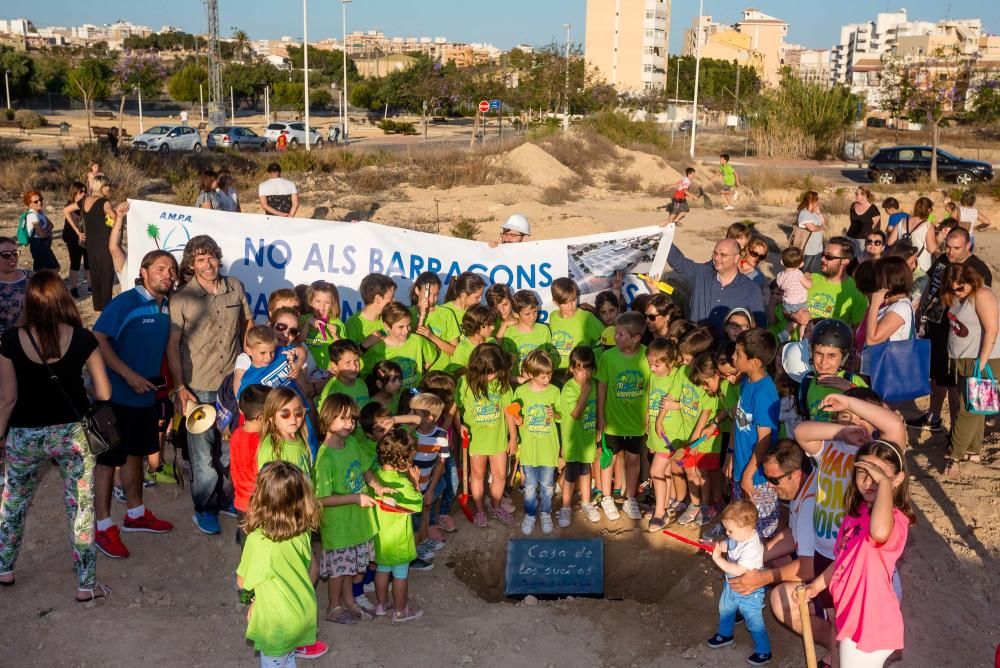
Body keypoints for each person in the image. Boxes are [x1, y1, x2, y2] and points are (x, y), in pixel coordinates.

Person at [0, 271, 113, 600]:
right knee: (80, 508)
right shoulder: (83, 338)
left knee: (13, 504)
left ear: (30, 301)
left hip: (24, 435)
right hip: (73, 434)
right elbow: (103, 392)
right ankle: (85, 584)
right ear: (64, 298)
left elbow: (7, 398)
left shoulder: (9, 340)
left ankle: (5, 568)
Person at [794, 390, 907, 660]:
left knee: (854, 639)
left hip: (869, 592)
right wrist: (841, 432)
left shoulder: (877, 455)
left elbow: (894, 426)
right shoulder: (832, 451)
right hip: (834, 555)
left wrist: (850, 404)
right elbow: (802, 431)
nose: (854, 424)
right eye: (846, 418)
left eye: (863, 418)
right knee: (839, 621)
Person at [92, 250, 178, 559]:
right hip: (112, 398)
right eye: (160, 268)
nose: (167, 274)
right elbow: (97, 337)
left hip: (145, 398)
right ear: (143, 272)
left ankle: (136, 513)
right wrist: (127, 376)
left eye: (171, 270)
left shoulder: (166, 306)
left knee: (136, 455)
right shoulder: (126, 302)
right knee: (106, 462)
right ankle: (102, 527)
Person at [168, 235, 252, 535]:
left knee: (230, 451)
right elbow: (172, 346)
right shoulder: (181, 298)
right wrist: (180, 389)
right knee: (203, 455)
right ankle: (204, 509)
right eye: (200, 259)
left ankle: (224, 499)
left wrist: (248, 366)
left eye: (211, 257)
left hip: (231, 387)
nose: (208, 264)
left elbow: (247, 326)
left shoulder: (235, 287)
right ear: (191, 264)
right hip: (198, 387)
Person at [730, 440, 821, 661]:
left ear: (795, 474)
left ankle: (833, 643)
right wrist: (758, 553)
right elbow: (792, 534)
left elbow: (808, 569)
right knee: (765, 560)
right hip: (819, 562)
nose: (769, 486)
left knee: (781, 601)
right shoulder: (804, 488)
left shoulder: (809, 504)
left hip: (827, 575)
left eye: (773, 479)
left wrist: (760, 579)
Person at [237, 461, 328, 664]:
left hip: (276, 624)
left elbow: (243, 582)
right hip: (303, 614)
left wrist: (249, 602)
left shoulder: (259, 540)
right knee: (288, 660)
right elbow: (312, 569)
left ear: (261, 497)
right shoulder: (302, 531)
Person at [314, 392, 391, 624]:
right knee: (339, 570)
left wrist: (378, 487)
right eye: (343, 418)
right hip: (339, 527)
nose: (349, 424)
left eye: (353, 419)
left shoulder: (352, 444)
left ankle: (349, 601)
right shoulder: (325, 457)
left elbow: (365, 469)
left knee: (349, 567)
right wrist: (355, 498)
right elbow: (321, 499)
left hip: (357, 523)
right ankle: (334, 607)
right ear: (327, 419)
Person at [908, 227, 992, 433]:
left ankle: (957, 431)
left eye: (956, 248)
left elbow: (981, 303)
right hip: (935, 324)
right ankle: (934, 416)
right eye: (948, 246)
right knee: (937, 375)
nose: (951, 251)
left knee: (955, 382)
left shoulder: (978, 268)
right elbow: (931, 284)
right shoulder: (943, 260)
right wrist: (919, 308)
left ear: (968, 245)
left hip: (958, 332)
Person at [942, 263, 1000, 477]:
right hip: (961, 358)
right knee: (977, 407)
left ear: (971, 279)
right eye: (952, 287)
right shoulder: (958, 296)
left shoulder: (983, 294)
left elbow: (992, 329)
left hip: (981, 359)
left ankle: (954, 456)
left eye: (960, 286)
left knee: (967, 408)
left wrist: (982, 362)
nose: (956, 290)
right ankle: (973, 451)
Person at [596, 311, 650, 522]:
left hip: (636, 424)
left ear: (636, 338)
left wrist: (648, 417)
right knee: (607, 458)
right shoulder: (608, 357)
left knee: (633, 460)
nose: (615, 338)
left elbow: (651, 388)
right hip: (613, 423)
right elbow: (601, 387)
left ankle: (630, 499)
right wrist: (601, 417)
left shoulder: (647, 356)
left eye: (620, 335)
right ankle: (607, 497)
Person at [457, 342, 517, 527]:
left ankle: (496, 506)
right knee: (477, 474)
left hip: (498, 439)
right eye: (489, 372)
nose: (493, 376)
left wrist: (513, 437)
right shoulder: (464, 383)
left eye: (496, 372)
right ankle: (480, 509)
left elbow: (509, 411)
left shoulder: (502, 384)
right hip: (476, 441)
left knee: (500, 475)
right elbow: (455, 409)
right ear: (478, 368)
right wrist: (459, 425)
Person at [706, 500, 772, 666]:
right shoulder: (739, 536)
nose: (727, 533)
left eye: (730, 530)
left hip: (749, 592)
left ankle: (764, 651)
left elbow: (737, 570)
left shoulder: (752, 547)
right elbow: (727, 544)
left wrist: (717, 558)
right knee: (725, 608)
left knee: (754, 622)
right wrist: (717, 547)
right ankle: (725, 634)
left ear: (746, 527)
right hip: (731, 586)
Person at [729, 328, 781, 539]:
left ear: (755, 362)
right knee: (741, 523)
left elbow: (765, 439)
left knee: (758, 530)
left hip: (757, 478)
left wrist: (749, 475)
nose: (733, 357)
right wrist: (730, 455)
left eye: (738, 354)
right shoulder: (746, 383)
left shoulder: (764, 393)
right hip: (742, 469)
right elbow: (740, 423)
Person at [372, 427, 425, 622]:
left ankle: (381, 604)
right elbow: (418, 505)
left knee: (382, 569)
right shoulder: (402, 485)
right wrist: (415, 483)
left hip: (380, 537)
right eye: (410, 458)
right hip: (399, 540)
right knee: (401, 574)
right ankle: (401, 611)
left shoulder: (375, 477)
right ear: (402, 460)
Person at [665, 237, 765, 335]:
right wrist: (664, 235)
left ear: (736, 258)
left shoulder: (751, 289)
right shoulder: (701, 274)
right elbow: (679, 262)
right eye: (715, 253)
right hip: (695, 347)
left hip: (727, 350)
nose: (716, 258)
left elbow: (760, 329)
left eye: (723, 255)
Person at [512, 350, 562, 535]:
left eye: (549, 374)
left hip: (548, 449)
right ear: (531, 374)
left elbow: (562, 417)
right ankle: (531, 514)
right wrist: (518, 420)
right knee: (530, 486)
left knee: (548, 485)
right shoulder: (521, 392)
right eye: (543, 376)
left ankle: (546, 512)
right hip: (529, 450)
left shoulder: (555, 391)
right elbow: (514, 413)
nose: (547, 379)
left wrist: (555, 414)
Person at [559, 345, 601, 526]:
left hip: (588, 438)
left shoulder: (595, 384)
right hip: (573, 440)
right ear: (572, 369)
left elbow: (598, 409)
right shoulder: (569, 388)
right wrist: (584, 394)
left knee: (586, 471)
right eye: (579, 369)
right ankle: (566, 507)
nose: (584, 374)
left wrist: (599, 429)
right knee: (570, 474)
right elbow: (575, 414)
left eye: (588, 369)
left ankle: (586, 503)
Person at [861, 257, 914, 377]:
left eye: (878, 276)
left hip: (891, 375)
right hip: (881, 371)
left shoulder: (900, 307)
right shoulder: (893, 305)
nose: (875, 280)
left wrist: (874, 304)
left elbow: (872, 339)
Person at [800, 237, 868, 328]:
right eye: (822, 255)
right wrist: (793, 316)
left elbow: (857, 330)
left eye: (829, 257)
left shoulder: (857, 293)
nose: (823, 259)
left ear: (845, 261)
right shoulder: (810, 279)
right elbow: (784, 304)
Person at [230, 384, 268, 545]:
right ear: (261, 417)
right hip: (259, 505)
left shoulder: (237, 433)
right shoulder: (261, 442)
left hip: (240, 501)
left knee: (247, 544)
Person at [424, 272, 485, 373]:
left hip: (469, 371)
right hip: (443, 370)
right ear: (464, 295)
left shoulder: (477, 314)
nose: (480, 300)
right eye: (477, 297)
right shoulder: (444, 311)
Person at [80, 175, 125, 311]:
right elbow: (115, 217)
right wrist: (120, 214)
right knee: (106, 275)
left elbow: (67, 210)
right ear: (100, 186)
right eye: (106, 185)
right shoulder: (105, 202)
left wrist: (78, 231)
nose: (109, 188)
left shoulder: (85, 200)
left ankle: (98, 306)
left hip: (91, 244)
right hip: (105, 243)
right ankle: (106, 308)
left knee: (95, 274)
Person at [548, 277, 604, 376]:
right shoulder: (553, 316)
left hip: (578, 373)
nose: (570, 305)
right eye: (565, 302)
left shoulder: (586, 317)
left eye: (573, 300)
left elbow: (604, 340)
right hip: (555, 372)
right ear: (555, 302)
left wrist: (590, 358)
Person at [501, 289, 553, 378]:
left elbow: (549, 357)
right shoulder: (509, 333)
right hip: (517, 383)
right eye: (527, 314)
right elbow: (506, 362)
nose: (533, 316)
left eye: (535, 311)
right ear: (516, 314)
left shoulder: (544, 330)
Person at [887, 196, 937, 272]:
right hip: (921, 267)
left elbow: (890, 242)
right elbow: (931, 249)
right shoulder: (928, 225)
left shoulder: (902, 221)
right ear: (929, 210)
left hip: (903, 264)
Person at [345, 273, 396, 347]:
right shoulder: (353, 324)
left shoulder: (391, 319)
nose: (394, 301)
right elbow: (347, 356)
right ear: (377, 299)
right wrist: (366, 344)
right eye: (391, 298)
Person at [776, 247, 812, 341]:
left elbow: (780, 286)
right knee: (804, 322)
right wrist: (809, 279)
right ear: (801, 264)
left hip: (787, 304)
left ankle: (785, 334)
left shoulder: (780, 275)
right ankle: (802, 338)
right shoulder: (798, 274)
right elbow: (808, 286)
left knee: (793, 321)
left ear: (781, 262)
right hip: (800, 302)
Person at [61, 181, 90, 297]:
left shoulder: (85, 204)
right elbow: (77, 221)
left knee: (88, 263)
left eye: (85, 191)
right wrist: (78, 232)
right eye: (81, 191)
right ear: (74, 193)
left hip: (86, 237)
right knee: (75, 263)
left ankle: (90, 286)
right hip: (73, 237)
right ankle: (73, 287)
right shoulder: (70, 206)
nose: (83, 194)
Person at [22, 191, 59, 272]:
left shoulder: (40, 213)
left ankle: (41, 284)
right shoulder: (32, 216)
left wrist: (45, 231)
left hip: (44, 245)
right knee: (54, 268)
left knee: (42, 269)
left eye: (40, 200)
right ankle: (46, 283)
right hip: (38, 245)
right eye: (36, 201)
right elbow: (41, 234)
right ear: (29, 204)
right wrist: (48, 232)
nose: (40, 202)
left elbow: (51, 225)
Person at [0, 236, 30, 335]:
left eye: (15, 253)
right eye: (6, 255)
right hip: (6, 344)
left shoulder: (31, 276)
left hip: (34, 338)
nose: (13, 257)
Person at [796, 191, 826, 274]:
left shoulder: (814, 213)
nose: (817, 202)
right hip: (808, 248)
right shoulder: (804, 213)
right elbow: (812, 228)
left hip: (816, 247)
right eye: (816, 200)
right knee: (802, 269)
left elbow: (823, 222)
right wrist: (820, 227)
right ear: (810, 201)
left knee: (810, 270)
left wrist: (819, 212)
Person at [846, 187, 881, 255]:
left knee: (860, 263)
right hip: (849, 238)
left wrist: (871, 242)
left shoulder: (873, 209)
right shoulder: (853, 206)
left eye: (857, 194)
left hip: (863, 241)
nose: (855, 195)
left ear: (864, 195)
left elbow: (877, 229)